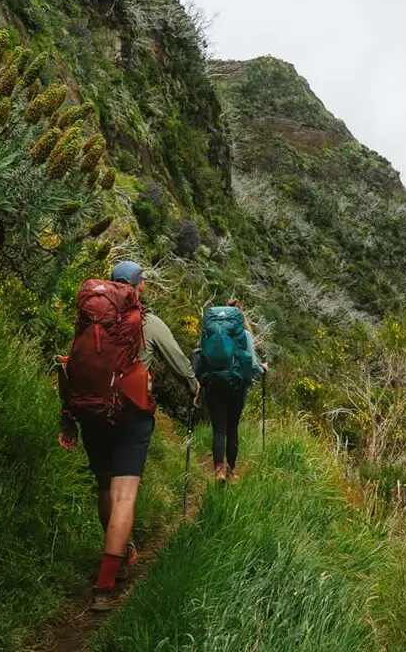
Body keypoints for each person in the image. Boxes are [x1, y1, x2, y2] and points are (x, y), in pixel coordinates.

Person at [57, 260, 197, 611]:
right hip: (130, 417)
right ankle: (105, 586)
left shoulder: (89, 320)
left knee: (104, 488)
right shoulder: (147, 323)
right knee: (124, 497)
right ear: (140, 287)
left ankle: (121, 555)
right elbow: (179, 362)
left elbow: (75, 365)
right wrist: (194, 386)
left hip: (91, 413)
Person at [191, 296, 264, 485]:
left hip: (213, 384)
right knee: (232, 427)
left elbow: (200, 355)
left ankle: (218, 471)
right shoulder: (244, 334)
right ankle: (231, 472)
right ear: (240, 317)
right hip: (236, 386)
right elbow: (252, 364)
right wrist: (263, 369)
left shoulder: (210, 331)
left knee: (219, 429)